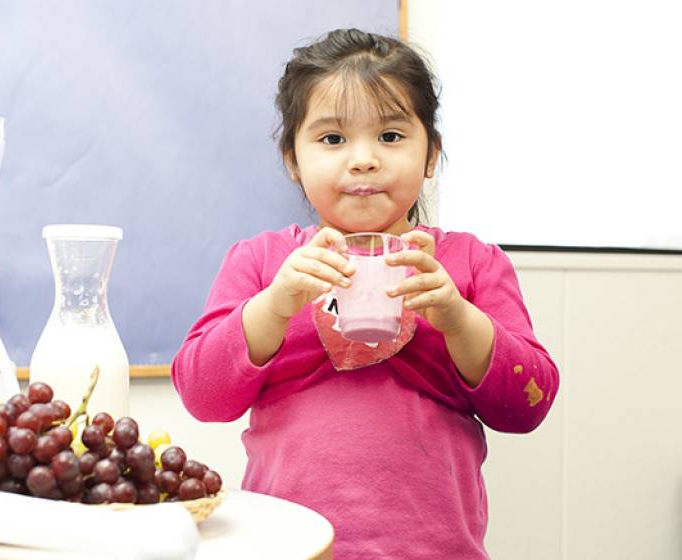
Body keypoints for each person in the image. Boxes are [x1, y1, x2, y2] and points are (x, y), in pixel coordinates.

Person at [171, 28, 559, 559]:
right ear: (293, 159)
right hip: (289, 549)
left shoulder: (472, 264)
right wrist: (277, 304)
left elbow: (527, 404)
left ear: (431, 156)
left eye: (391, 137)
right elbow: (202, 395)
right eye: (332, 139)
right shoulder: (263, 262)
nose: (363, 160)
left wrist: (457, 318)